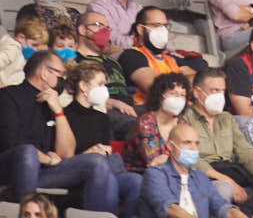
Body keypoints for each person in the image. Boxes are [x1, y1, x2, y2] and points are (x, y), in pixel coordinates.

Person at [0, 51, 122, 211]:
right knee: (27, 152)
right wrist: (47, 159)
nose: (62, 80)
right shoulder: (8, 95)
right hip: (11, 169)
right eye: (60, 74)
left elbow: (66, 154)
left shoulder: (52, 102)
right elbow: (12, 141)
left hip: (43, 173)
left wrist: (58, 111)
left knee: (96, 161)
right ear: (44, 72)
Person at [59, 60, 142, 217]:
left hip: (105, 167)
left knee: (135, 181)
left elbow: (106, 148)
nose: (105, 89)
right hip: (78, 169)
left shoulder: (102, 118)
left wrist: (101, 151)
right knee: (106, 179)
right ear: (83, 86)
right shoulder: (65, 115)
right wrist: (88, 154)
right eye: (100, 84)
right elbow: (64, 152)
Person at [181, 69, 253, 204]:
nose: (219, 96)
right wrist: (227, 180)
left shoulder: (226, 118)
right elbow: (191, 159)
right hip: (206, 175)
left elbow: (245, 151)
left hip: (231, 170)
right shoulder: (185, 118)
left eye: (222, 91)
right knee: (224, 189)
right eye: (214, 90)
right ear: (196, 92)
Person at [139, 122, 250, 218]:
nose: (194, 148)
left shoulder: (200, 177)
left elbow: (221, 206)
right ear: (170, 146)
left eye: (196, 143)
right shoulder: (155, 174)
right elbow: (170, 208)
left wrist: (236, 214)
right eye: (187, 143)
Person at [118, 8, 201, 105]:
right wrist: (185, 86)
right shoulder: (131, 56)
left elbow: (199, 81)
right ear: (140, 29)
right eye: (157, 25)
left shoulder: (170, 58)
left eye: (165, 26)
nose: (162, 30)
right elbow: (155, 88)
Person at [123, 71, 190, 173]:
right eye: (173, 94)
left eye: (182, 95)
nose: (179, 99)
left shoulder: (183, 124)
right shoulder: (145, 123)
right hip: (143, 177)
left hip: (176, 175)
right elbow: (155, 161)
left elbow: (190, 157)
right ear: (160, 96)